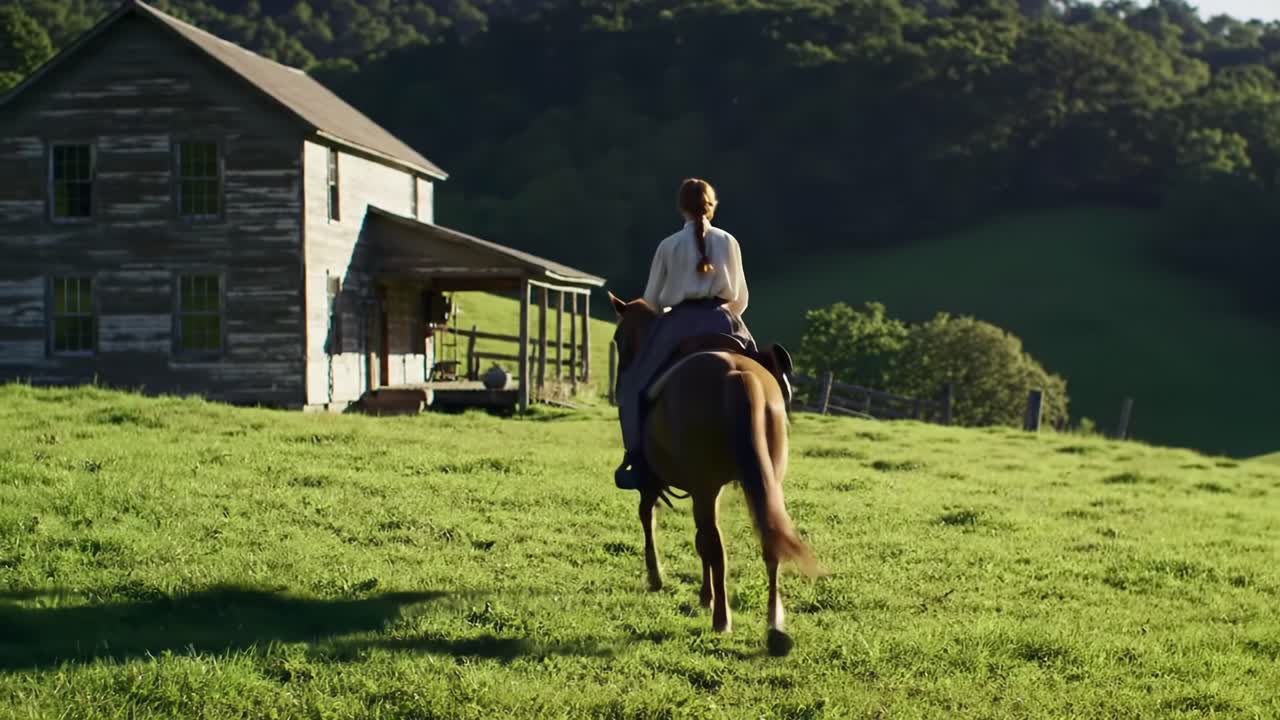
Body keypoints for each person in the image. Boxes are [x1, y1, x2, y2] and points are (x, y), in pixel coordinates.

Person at [614, 177, 765, 491]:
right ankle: (772, 441)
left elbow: (652, 301)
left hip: (677, 323)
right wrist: (724, 316)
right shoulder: (729, 241)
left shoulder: (669, 245)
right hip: (726, 320)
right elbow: (741, 297)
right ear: (712, 206)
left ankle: (636, 459)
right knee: (769, 375)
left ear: (681, 207)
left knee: (635, 387)